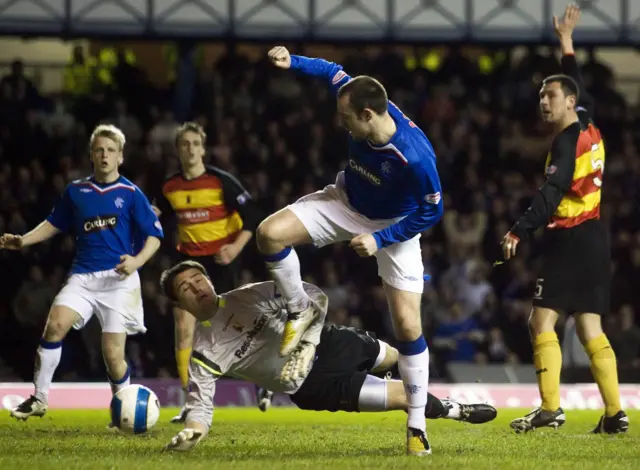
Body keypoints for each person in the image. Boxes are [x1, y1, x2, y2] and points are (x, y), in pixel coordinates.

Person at [256, 47, 443, 456]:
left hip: (394, 227)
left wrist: (380, 239)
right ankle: (299, 308)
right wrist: (294, 61)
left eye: (346, 119)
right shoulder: (358, 95)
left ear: (368, 116)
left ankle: (417, 426)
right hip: (345, 202)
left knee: (409, 328)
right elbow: (332, 70)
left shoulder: (414, 157)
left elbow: (433, 210)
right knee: (269, 235)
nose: (340, 123)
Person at [158, 260, 497, 452]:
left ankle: (423, 380)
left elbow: (312, 295)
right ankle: (454, 409)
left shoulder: (250, 295)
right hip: (313, 387)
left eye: (197, 278)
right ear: (179, 305)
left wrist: (307, 342)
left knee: (395, 355)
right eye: (185, 288)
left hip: (330, 344)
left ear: (209, 279)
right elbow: (200, 407)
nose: (196, 286)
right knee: (406, 398)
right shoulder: (204, 353)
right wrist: (192, 434)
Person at [500, 4, 627, 434]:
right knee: (590, 324)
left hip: (571, 237)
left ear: (567, 103)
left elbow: (551, 192)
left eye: (549, 96)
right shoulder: (587, 122)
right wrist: (567, 44)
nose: (542, 101)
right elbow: (582, 88)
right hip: (595, 236)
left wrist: (519, 229)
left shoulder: (566, 144)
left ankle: (551, 409)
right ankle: (614, 414)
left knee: (541, 320)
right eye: (540, 96)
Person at [1, 124, 163, 420]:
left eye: (110, 150)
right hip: (83, 278)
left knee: (113, 356)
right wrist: (23, 240)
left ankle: (122, 412)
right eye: (99, 150)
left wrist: (137, 262)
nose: (104, 155)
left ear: (120, 157)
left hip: (119, 280)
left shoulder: (130, 193)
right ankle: (39, 398)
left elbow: (155, 235)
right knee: (54, 326)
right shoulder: (76, 191)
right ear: (91, 154)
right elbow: (53, 223)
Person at [152, 121, 267, 423]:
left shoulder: (221, 181)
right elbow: (154, 216)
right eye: (184, 144)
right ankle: (191, 402)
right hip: (189, 267)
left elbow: (253, 217)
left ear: (203, 148)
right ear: (177, 150)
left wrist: (235, 248)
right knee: (183, 329)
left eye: (195, 143)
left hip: (220, 263)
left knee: (236, 329)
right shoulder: (169, 187)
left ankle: (265, 380)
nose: (190, 149)